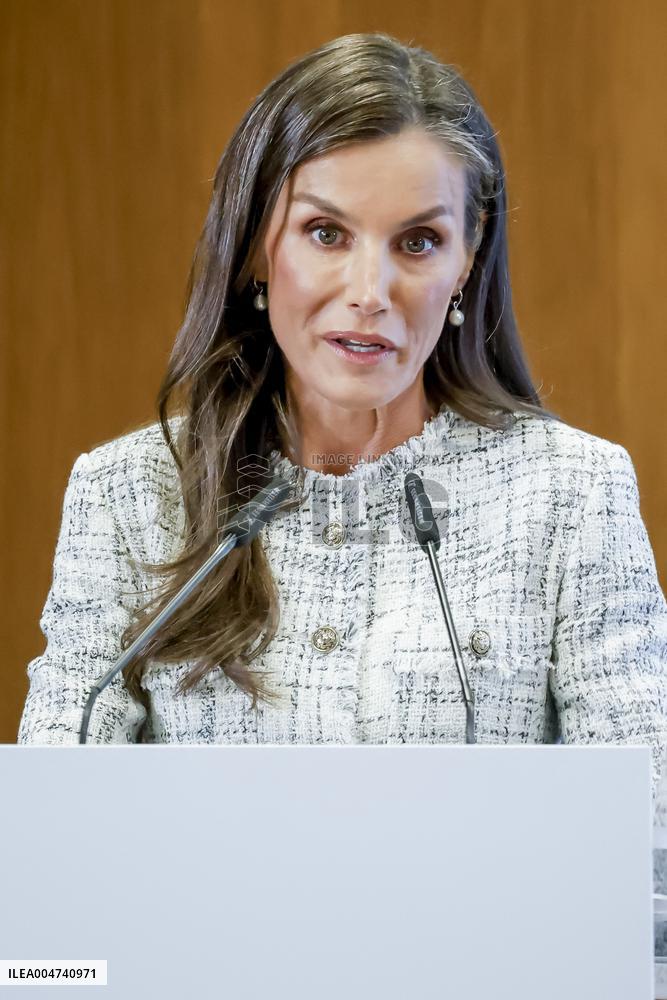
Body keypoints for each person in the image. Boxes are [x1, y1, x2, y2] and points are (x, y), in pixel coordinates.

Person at [17, 34, 666, 829]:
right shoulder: (126, 494)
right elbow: (51, 844)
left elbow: (648, 841)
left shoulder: (570, 492)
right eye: (326, 233)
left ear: (467, 258)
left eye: (418, 242)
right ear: (259, 243)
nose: (369, 291)